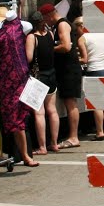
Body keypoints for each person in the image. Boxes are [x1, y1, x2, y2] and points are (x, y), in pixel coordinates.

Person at [0, 9, 37, 167]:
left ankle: (25, 155)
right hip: (5, 79)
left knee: (19, 117)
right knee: (10, 117)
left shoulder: (25, 26)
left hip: (19, 78)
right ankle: (21, 155)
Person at [41, 4, 82, 149]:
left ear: (50, 15)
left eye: (45, 18)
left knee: (70, 103)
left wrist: (48, 49)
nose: (45, 22)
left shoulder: (62, 24)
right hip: (65, 69)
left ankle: (73, 137)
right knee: (68, 102)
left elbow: (66, 46)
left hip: (69, 70)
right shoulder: (59, 25)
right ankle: (72, 135)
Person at [25, 11, 59, 155]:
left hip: (38, 77)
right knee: (52, 111)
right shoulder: (50, 34)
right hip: (52, 75)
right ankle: (55, 143)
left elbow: (29, 58)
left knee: (39, 113)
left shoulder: (32, 37)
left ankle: (42, 147)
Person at [79, 26, 104, 140]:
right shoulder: (103, 34)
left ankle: (100, 132)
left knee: (97, 104)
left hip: (94, 70)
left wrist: (75, 58)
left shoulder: (83, 38)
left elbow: (85, 59)